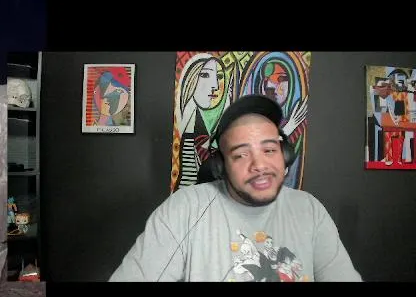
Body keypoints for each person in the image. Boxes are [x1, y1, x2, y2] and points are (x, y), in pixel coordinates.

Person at [110, 94, 362, 282]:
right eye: (241, 155)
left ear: (285, 154)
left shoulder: (309, 210)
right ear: (220, 166)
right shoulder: (184, 210)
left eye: (269, 150)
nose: (259, 165)